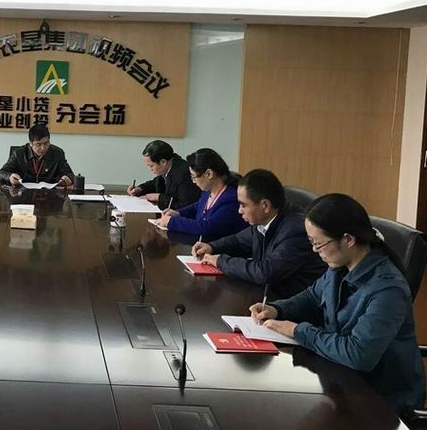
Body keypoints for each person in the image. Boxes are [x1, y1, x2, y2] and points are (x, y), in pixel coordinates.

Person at [250, 193, 425, 416]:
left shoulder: (388, 289)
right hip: (339, 379)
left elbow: (358, 354)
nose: (314, 250)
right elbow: (312, 296)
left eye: (318, 243)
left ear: (348, 240)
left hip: (380, 400)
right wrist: (278, 308)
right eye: (311, 242)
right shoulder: (340, 265)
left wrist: (298, 331)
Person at [192, 169, 325, 297]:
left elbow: (265, 272)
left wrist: (220, 261)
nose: (239, 210)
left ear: (265, 206)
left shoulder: (295, 230)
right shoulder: (264, 220)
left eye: (243, 205)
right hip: (265, 295)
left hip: (290, 303)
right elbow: (239, 241)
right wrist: (212, 247)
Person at [157, 148, 247, 240]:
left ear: (209, 174)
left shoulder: (231, 198)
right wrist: (179, 213)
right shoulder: (208, 191)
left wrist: (171, 222)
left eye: (193, 177)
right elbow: (198, 206)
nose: (193, 181)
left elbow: (207, 227)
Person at [127, 140, 200, 209]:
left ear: (163, 162)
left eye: (151, 166)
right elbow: (155, 183)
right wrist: (140, 189)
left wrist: (158, 197)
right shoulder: (169, 167)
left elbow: (185, 205)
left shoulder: (184, 174)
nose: (150, 169)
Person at [0, 124, 74, 187]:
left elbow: (70, 175)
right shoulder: (18, 154)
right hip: (23, 194)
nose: (43, 148)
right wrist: (10, 177)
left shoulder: (57, 153)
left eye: (46, 143)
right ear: (30, 143)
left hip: (49, 194)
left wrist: (68, 178)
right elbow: (1, 173)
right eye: (38, 144)